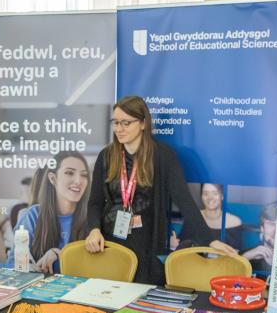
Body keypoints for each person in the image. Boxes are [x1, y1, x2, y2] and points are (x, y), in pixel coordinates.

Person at [85, 95, 236, 284]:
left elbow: (184, 200)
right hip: (110, 241)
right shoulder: (107, 156)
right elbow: (95, 202)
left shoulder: (163, 156)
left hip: (146, 244)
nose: (119, 129)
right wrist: (93, 230)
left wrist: (209, 240)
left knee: (140, 299)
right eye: (115, 122)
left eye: (126, 123)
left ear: (142, 123)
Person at [7, 150, 90, 273]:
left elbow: (98, 265)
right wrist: (26, 268)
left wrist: (60, 254)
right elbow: (12, 264)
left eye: (84, 175)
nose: (78, 180)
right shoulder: (32, 216)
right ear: (53, 178)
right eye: (69, 173)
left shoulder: (92, 217)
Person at [197, 183, 244, 250]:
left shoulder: (235, 222)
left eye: (215, 193)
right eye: (205, 193)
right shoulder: (194, 217)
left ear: (222, 196)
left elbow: (236, 254)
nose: (210, 197)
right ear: (201, 196)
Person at [242, 203, 277, 273]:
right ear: (262, 228)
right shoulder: (246, 255)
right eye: (271, 224)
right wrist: (245, 258)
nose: (276, 230)